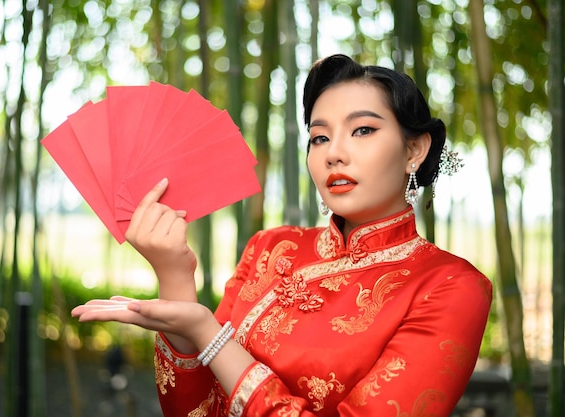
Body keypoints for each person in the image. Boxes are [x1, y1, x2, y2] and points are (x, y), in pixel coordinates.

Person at [71, 54, 492, 416]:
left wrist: (209, 338)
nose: (334, 152)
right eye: (319, 136)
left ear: (414, 150)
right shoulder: (271, 248)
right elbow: (195, 410)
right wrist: (175, 278)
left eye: (362, 130)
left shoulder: (451, 287)